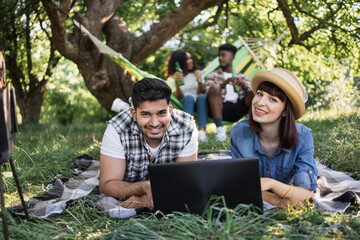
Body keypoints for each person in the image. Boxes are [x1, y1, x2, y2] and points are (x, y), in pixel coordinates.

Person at [99, 78, 198, 209]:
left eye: (162, 113)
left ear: (170, 110)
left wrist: (147, 199)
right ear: (134, 114)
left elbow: (187, 182)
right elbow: (107, 185)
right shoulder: (117, 129)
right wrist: (144, 187)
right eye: (146, 114)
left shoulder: (186, 127)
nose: (155, 123)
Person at [230, 68, 318, 209]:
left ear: (284, 111)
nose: (260, 102)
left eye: (272, 99)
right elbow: (241, 184)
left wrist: (271, 183)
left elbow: (306, 194)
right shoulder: (239, 133)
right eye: (259, 94)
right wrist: (274, 199)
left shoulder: (303, 136)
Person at [206, 43, 254, 141]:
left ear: (232, 57)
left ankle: (253, 128)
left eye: (223, 55)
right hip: (218, 108)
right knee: (215, 87)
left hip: (237, 109)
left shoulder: (242, 77)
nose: (220, 58)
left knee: (255, 92)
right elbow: (207, 94)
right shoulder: (213, 75)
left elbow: (252, 97)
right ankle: (220, 131)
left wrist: (244, 86)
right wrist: (223, 84)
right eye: (219, 56)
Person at [166, 50, 208, 142]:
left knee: (201, 97)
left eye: (191, 58)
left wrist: (199, 79)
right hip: (184, 103)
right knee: (189, 98)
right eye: (187, 59)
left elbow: (201, 92)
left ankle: (202, 132)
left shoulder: (196, 74)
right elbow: (179, 98)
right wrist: (177, 83)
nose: (191, 61)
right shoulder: (172, 78)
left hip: (199, 103)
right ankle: (188, 131)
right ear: (180, 62)